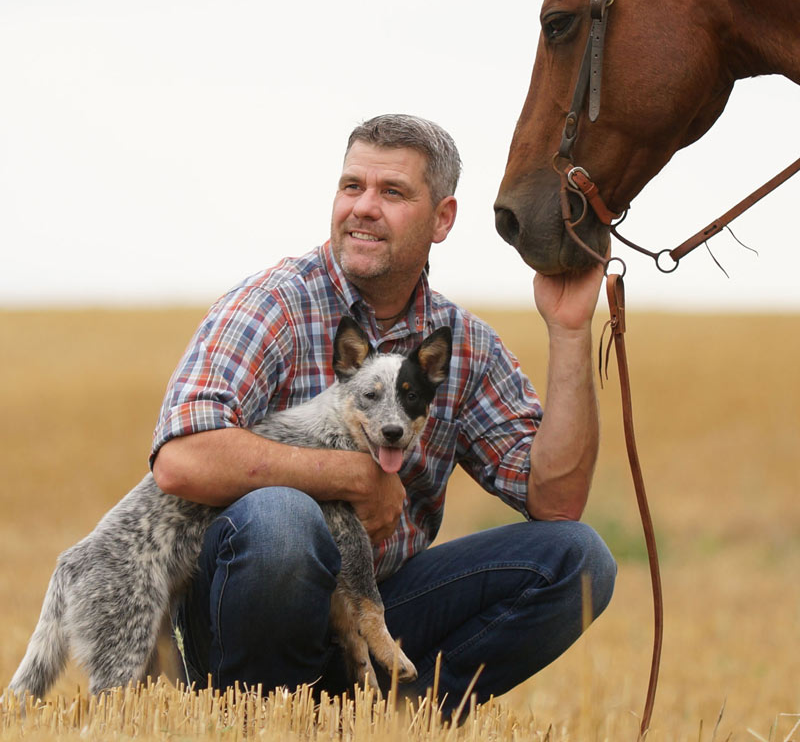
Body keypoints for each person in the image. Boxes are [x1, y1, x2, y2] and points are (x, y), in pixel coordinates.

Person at [151, 114, 615, 714]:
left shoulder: (465, 346)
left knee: (578, 559)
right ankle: (261, 717)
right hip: (244, 606)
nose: (364, 208)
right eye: (352, 187)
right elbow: (181, 461)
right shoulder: (271, 305)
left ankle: (393, 717)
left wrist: (572, 331)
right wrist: (357, 479)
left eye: (391, 192)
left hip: (381, 606)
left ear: (442, 218)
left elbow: (557, 501)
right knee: (283, 518)